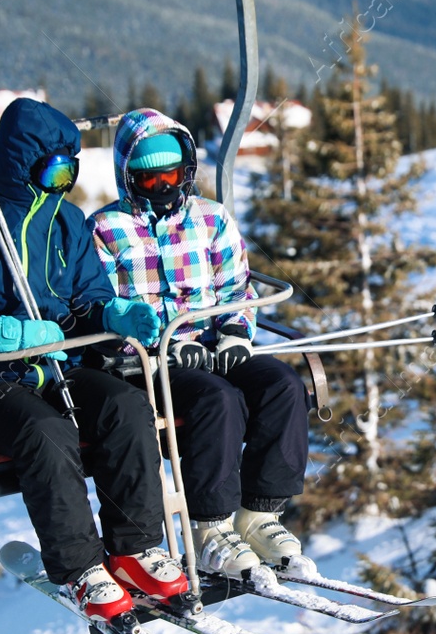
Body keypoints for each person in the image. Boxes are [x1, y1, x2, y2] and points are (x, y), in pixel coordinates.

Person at [0, 98, 188, 624]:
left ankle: (136, 548)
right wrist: (0, 331)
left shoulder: (70, 224)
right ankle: (80, 567)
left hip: (55, 366)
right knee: (45, 431)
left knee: (125, 405)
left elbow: (88, 298)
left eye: (72, 165)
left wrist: (113, 315)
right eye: (54, 165)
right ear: (22, 163)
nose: (65, 176)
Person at [92, 107, 314, 589]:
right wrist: (157, 342)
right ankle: (210, 525)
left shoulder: (212, 220)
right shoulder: (107, 230)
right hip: (149, 361)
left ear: (188, 171)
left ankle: (258, 514)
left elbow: (238, 289)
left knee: (282, 386)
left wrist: (236, 333)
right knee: (217, 399)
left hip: (213, 346)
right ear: (127, 176)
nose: (163, 188)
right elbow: (104, 304)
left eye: (172, 175)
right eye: (149, 179)